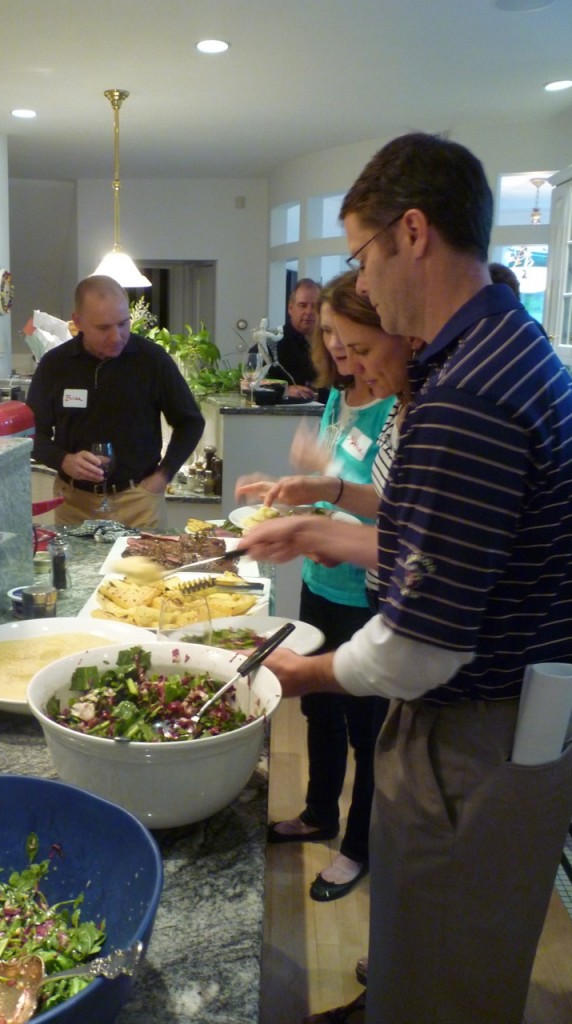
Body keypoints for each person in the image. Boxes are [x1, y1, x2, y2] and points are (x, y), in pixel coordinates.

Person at [242, 132, 572, 1024]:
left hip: (475, 734)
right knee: (448, 936)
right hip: (522, 721)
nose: (364, 276)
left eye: (363, 253)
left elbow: (420, 648)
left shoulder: (465, 393)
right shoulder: (508, 347)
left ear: (414, 233)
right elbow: (452, 539)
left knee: (451, 948)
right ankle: (399, 990)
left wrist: (297, 676)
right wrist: (324, 512)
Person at [239, 272, 396, 905]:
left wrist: (322, 512)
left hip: (366, 590)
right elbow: (341, 481)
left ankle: (359, 847)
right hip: (319, 578)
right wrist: (305, 482)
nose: (335, 345)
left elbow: (393, 515)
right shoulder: (339, 399)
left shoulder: (397, 403)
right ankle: (319, 813)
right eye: (326, 331)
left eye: (346, 333)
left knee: (368, 728)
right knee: (320, 709)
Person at [27, 274, 204, 529]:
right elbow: (32, 436)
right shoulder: (55, 364)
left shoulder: (151, 359)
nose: (117, 336)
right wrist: (64, 460)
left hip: (138, 503)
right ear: (77, 322)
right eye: (103, 328)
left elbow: (190, 422)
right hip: (74, 504)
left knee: (146, 570)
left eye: (123, 324)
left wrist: (162, 477)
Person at [261, 278, 322, 400]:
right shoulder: (271, 343)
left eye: (315, 306)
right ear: (290, 308)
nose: (309, 312)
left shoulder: (331, 343)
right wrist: (284, 390)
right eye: (303, 305)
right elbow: (248, 383)